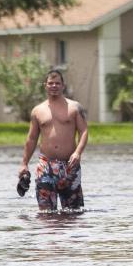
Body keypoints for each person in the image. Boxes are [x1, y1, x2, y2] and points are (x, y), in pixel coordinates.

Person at [18, 69, 89, 212]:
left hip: (70, 165)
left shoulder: (74, 107)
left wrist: (78, 153)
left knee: (73, 212)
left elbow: (84, 132)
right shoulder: (37, 111)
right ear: (45, 85)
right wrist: (24, 163)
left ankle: (68, 235)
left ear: (63, 86)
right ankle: (49, 234)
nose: (54, 86)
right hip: (45, 165)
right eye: (51, 83)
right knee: (46, 213)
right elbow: (31, 139)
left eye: (57, 83)